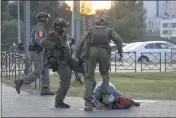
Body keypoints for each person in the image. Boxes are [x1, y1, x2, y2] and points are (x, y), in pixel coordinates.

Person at [75, 18, 123, 111]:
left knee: (89, 77)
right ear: (105, 24)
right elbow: (118, 39)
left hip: (91, 52)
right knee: (105, 75)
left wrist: (79, 56)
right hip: (104, 52)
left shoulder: (91, 30)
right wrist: (120, 51)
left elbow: (81, 42)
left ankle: (88, 103)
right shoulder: (109, 30)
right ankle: (105, 99)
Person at [14, 12, 54, 96]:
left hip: (39, 52)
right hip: (37, 52)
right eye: (46, 18)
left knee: (45, 70)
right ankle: (20, 81)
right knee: (37, 72)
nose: (47, 20)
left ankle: (44, 88)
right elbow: (38, 39)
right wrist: (47, 45)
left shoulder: (39, 27)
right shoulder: (39, 28)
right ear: (43, 19)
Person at [40, 18, 73, 108]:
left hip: (66, 60)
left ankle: (59, 98)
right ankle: (58, 101)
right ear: (59, 27)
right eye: (64, 27)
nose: (65, 29)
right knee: (65, 81)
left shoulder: (62, 35)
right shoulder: (53, 35)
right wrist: (55, 46)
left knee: (67, 80)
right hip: (60, 62)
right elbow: (42, 42)